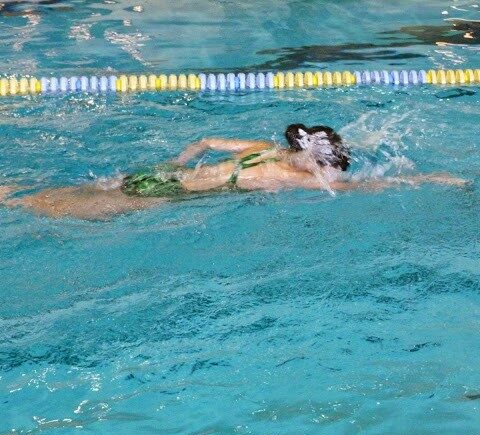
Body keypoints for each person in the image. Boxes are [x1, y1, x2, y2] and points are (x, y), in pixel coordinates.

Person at [0, 123, 467, 220]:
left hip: (162, 177)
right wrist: (427, 179)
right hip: (167, 196)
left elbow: (205, 140)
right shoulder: (293, 179)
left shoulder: (263, 150)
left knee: (69, 193)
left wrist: (180, 162)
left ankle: (11, 191)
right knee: (58, 211)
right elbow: (371, 188)